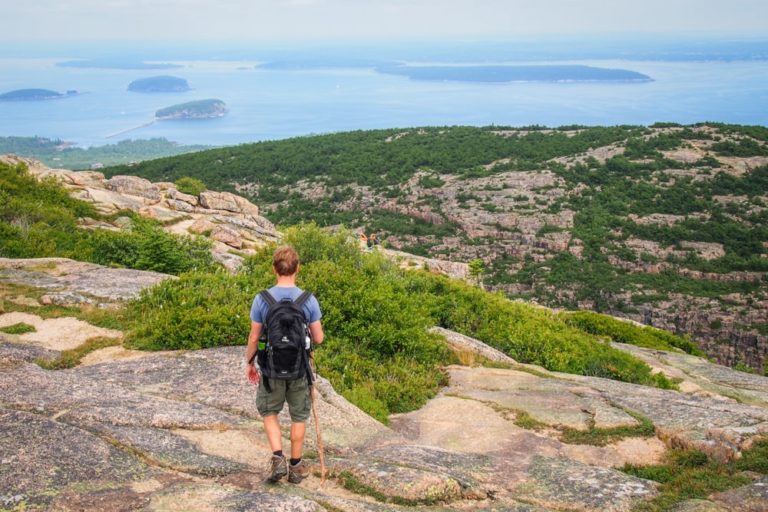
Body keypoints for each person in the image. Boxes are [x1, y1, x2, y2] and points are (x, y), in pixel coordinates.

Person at [245, 245, 324, 484]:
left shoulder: (262, 299)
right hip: (299, 369)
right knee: (299, 416)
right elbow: (318, 338)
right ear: (297, 269)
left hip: (270, 369)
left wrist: (250, 362)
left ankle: (278, 459)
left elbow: (254, 337)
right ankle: (296, 467)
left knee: (270, 412)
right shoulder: (308, 300)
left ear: (274, 269)